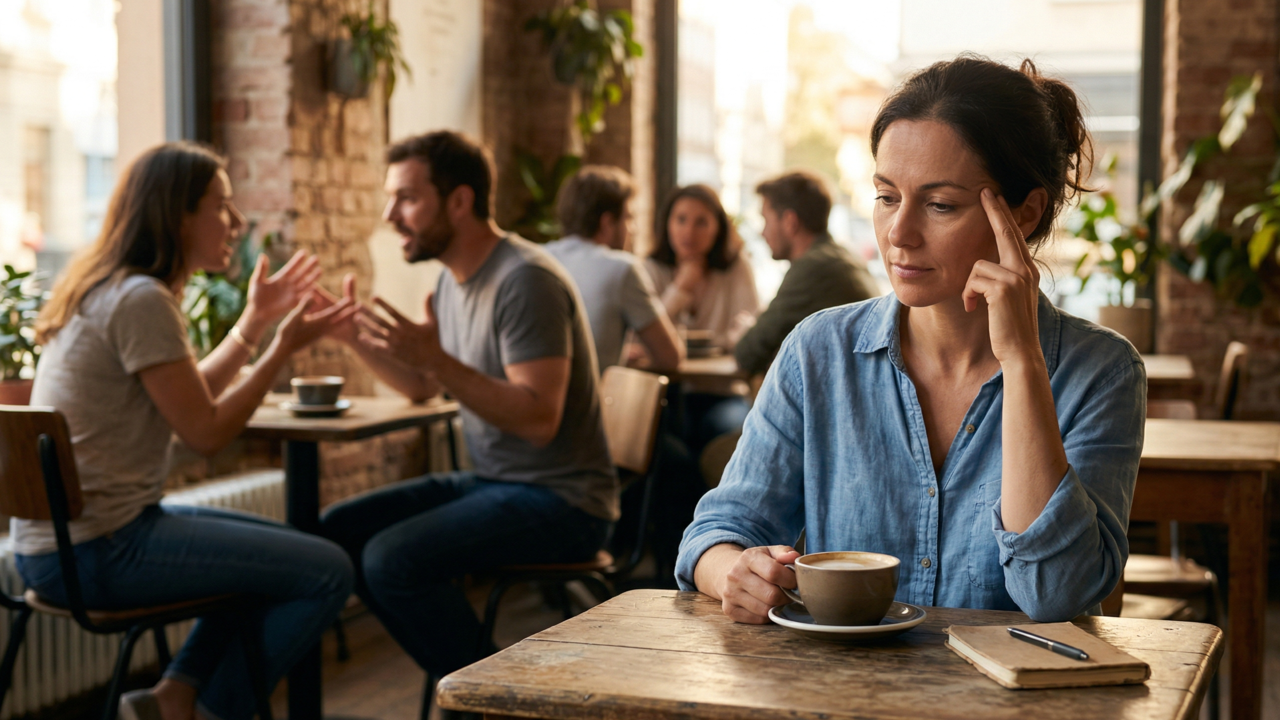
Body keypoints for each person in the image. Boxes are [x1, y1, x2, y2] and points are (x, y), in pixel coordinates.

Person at [677, 56, 1145, 624]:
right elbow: (716, 533)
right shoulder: (819, 351)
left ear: (1024, 214)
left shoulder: (1099, 371)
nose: (898, 234)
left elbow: (1057, 594)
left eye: (940, 204)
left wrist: (1022, 363)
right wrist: (734, 571)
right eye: (886, 196)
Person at [19, 142, 357, 720]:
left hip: (68, 546)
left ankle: (175, 697)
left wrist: (253, 324)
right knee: (328, 571)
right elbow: (205, 432)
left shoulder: (113, 289)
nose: (238, 221)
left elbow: (189, 395)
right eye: (222, 206)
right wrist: (283, 349)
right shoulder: (142, 300)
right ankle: (209, 713)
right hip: (100, 549)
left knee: (273, 560)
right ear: (178, 214)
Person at [317, 131, 617, 690]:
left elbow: (537, 419)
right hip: (496, 482)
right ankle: (480, 685)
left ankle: (493, 695)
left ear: (459, 200)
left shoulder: (524, 279)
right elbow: (424, 389)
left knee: (390, 562)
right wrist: (352, 337)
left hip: (565, 500)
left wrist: (436, 359)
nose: (390, 215)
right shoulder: (452, 280)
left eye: (406, 197)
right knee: (339, 532)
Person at [645, 185, 759, 454]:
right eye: (681, 220)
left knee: (732, 430)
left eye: (701, 222)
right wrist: (680, 290)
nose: (689, 232)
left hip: (721, 391)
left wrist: (740, 334)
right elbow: (640, 336)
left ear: (718, 228)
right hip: (664, 393)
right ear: (667, 224)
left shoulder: (736, 268)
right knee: (661, 447)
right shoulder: (649, 269)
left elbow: (751, 329)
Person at [733, 171, 878, 375]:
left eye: (765, 220)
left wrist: (745, 333)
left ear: (790, 222)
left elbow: (747, 355)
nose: (761, 232)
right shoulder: (842, 257)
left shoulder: (813, 269)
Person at [545, 165, 683, 372]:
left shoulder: (538, 257)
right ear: (607, 223)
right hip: (596, 401)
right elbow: (670, 357)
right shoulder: (622, 269)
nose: (633, 229)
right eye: (629, 217)